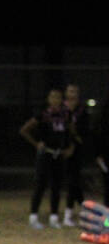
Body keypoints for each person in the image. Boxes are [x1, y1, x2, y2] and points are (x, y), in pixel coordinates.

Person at [20, 88, 74, 229]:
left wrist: (70, 147)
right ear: (49, 99)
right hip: (46, 154)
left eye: (58, 97)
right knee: (40, 185)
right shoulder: (43, 115)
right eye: (52, 97)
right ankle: (33, 216)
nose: (55, 100)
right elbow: (24, 130)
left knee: (56, 186)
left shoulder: (66, 115)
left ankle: (54, 217)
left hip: (59, 154)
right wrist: (36, 143)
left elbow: (71, 132)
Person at [62, 84, 89, 227]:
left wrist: (75, 142)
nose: (72, 94)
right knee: (72, 183)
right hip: (60, 150)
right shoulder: (61, 109)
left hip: (76, 151)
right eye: (70, 91)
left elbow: (84, 132)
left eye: (75, 91)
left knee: (74, 182)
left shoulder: (82, 111)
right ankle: (85, 210)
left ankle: (69, 214)